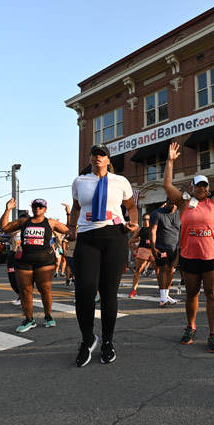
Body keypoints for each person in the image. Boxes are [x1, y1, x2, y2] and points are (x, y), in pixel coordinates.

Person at [164, 141, 214, 353]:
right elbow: (167, 186)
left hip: (212, 256)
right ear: (192, 187)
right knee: (192, 294)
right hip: (189, 256)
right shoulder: (184, 203)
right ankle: (191, 326)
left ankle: (213, 334)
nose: (202, 188)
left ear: (208, 187)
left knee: (212, 294)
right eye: (198, 185)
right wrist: (170, 161)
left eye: (205, 185)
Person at [68, 144, 138, 367]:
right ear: (90, 158)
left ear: (108, 159)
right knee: (84, 293)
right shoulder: (80, 181)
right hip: (88, 238)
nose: (98, 157)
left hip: (114, 236)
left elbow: (131, 206)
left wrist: (133, 224)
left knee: (109, 293)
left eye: (102, 154)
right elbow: (77, 207)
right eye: (94, 154)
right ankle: (88, 340)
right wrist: (71, 227)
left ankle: (108, 341)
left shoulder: (120, 181)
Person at [0, 198, 68, 332]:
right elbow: (5, 227)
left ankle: (48, 316)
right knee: (25, 291)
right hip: (24, 260)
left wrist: (69, 214)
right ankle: (29, 319)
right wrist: (8, 209)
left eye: (40, 207)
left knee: (45, 290)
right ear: (32, 208)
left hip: (45, 262)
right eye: (35, 206)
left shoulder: (51, 222)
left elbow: (69, 231)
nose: (37, 209)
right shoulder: (24, 221)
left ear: (45, 209)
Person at [150, 198, 181, 307]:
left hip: (175, 248)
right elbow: (153, 231)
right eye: (172, 203)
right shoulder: (157, 213)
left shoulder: (179, 213)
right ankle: (162, 296)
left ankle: (166, 295)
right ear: (167, 202)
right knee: (163, 269)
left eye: (176, 204)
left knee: (171, 271)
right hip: (161, 247)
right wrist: (153, 248)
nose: (173, 207)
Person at [128, 214, 155, 298]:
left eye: (148, 219)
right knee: (138, 270)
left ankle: (163, 292)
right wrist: (138, 240)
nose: (146, 221)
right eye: (144, 219)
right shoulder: (140, 229)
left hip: (154, 250)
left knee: (158, 271)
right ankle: (134, 290)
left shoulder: (155, 228)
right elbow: (130, 241)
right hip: (143, 250)